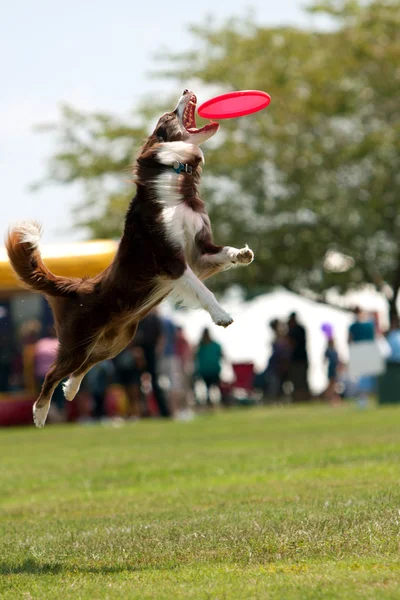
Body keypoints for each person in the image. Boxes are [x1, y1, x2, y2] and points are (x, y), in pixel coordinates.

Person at [134, 309, 171, 417]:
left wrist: (157, 352)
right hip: (139, 353)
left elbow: (161, 338)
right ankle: (141, 411)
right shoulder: (138, 319)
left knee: (155, 383)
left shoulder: (154, 319)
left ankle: (164, 411)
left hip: (151, 353)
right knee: (137, 384)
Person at [34, 325, 65, 423]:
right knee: (58, 400)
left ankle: (55, 419)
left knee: (51, 400)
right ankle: (58, 420)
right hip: (55, 376)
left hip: (46, 376)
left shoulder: (41, 343)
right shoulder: (60, 343)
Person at [263, 319, 290, 401]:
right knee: (274, 386)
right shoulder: (277, 338)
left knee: (278, 386)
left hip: (280, 367)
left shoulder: (283, 339)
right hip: (275, 367)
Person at [195, 328, 223, 406]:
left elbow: (222, 355)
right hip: (204, 371)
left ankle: (219, 402)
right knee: (208, 388)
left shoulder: (216, 345)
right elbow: (194, 356)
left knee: (216, 387)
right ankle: (209, 403)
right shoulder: (200, 346)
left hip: (214, 370)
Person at [287, 312, 310, 402]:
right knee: (301, 381)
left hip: (297, 360)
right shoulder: (301, 329)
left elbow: (291, 344)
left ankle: (301, 399)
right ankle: (303, 399)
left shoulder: (295, 331)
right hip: (301, 359)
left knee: (299, 381)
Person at [324, 337, 341, 404]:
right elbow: (325, 360)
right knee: (331, 384)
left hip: (334, 368)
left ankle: (333, 398)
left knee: (334, 384)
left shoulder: (334, 350)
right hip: (331, 368)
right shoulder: (329, 350)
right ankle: (328, 398)